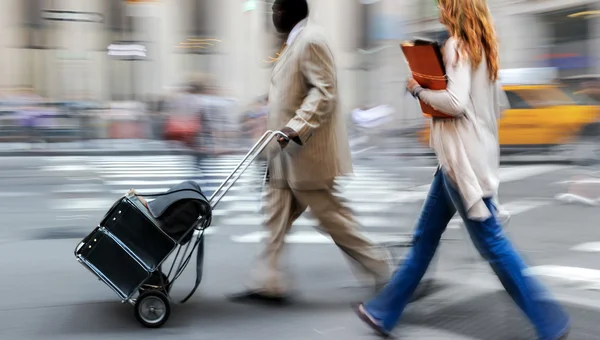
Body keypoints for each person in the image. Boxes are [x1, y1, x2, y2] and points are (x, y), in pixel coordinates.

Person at [353, 0, 571, 339]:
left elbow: (454, 104)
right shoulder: (485, 50)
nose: (440, 12)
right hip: (466, 158)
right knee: (424, 241)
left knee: (493, 246)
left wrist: (419, 89)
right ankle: (383, 312)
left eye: (443, 6)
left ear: (454, 10)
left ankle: (550, 321)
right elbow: (499, 107)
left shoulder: (457, 46)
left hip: (461, 161)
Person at [229, 0, 390, 304]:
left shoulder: (312, 40)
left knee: (332, 217)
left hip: (304, 153)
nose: (273, 15)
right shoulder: (294, 43)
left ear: (290, 12)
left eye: (276, 10)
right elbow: (296, 88)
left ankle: (382, 269)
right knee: (274, 219)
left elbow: (323, 91)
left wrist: (295, 127)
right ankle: (268, 282)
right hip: (283, 155)